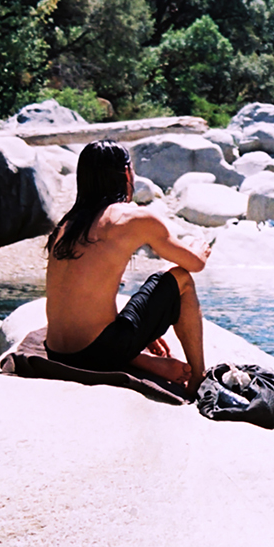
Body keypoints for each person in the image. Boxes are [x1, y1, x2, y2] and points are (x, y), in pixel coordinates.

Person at [44, 140, 209, 393]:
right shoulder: (131, 217)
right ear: (125, 173)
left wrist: (146, 329)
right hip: (98, 353)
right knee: (181, 278)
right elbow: (194, 264)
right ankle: (198, 377)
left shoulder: (68, 223)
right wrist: (198, 247)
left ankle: (140, 359)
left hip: (57, 351)